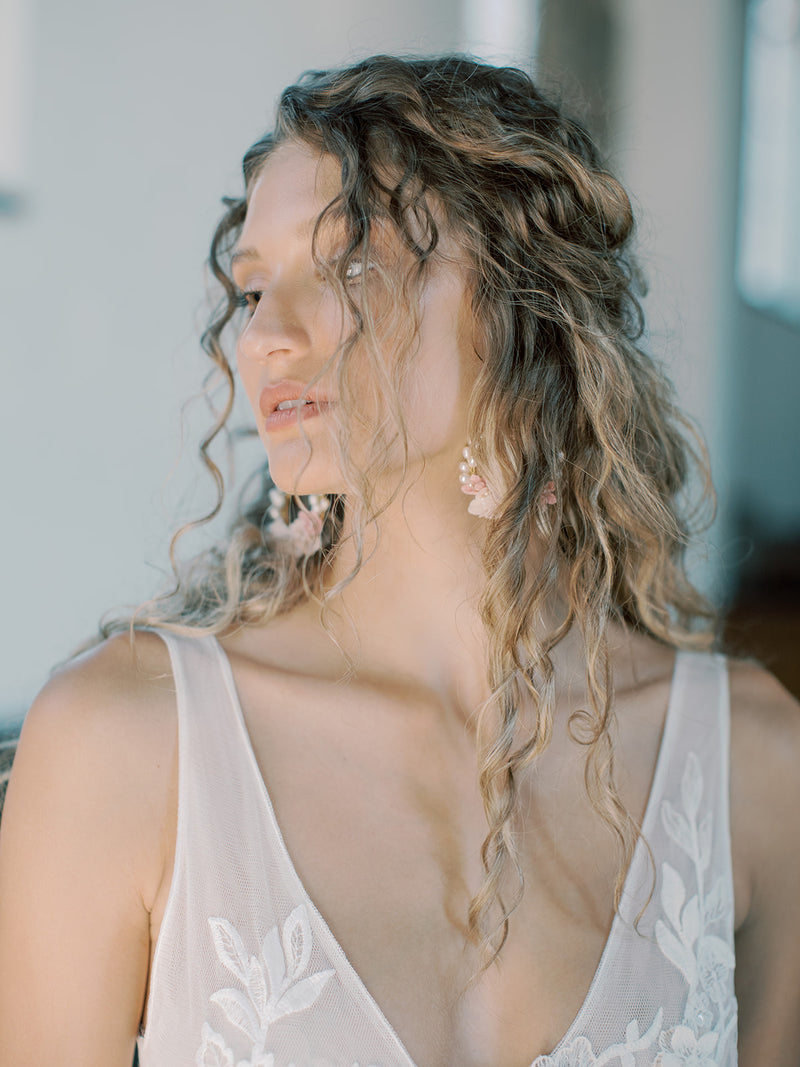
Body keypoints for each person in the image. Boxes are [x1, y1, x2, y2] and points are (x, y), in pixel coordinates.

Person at [0, 54, 798, 1067]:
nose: (266, 338)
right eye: (250, 290)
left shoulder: (755, 764)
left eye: (342, 261)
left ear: (519, 300)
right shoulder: (120, 744)